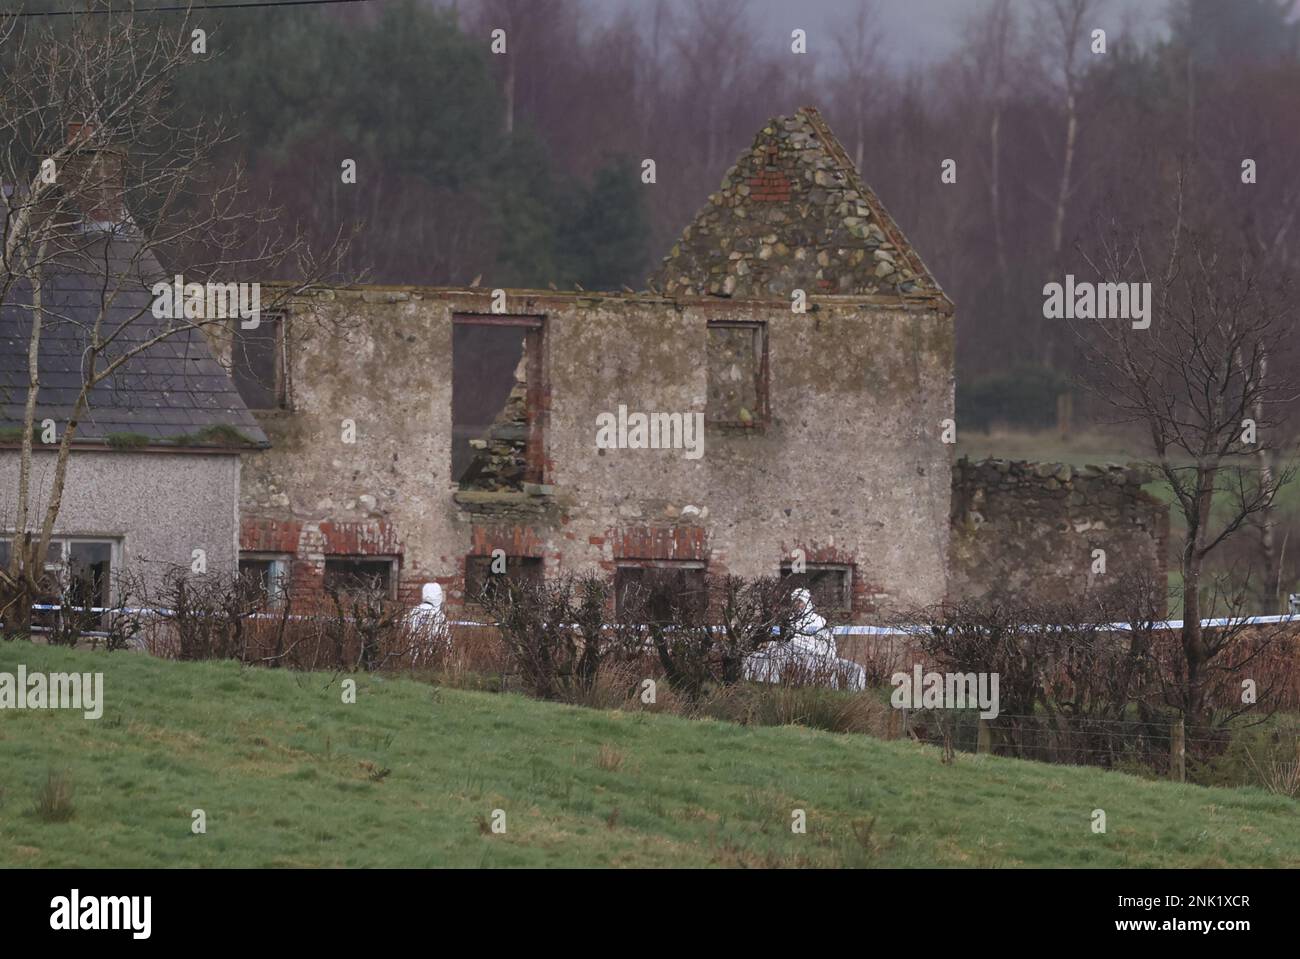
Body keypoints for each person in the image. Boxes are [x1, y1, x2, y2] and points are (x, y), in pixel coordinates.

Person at [743, 588, 866, 691]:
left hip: (814, 655)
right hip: (789, 652)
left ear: (806, 602)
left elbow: (822, 643)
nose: (797, 604)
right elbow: (777, 633)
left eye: (800, 601)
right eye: (795, 601)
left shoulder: (818, 621)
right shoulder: (787, 620)